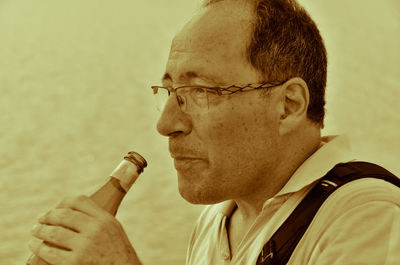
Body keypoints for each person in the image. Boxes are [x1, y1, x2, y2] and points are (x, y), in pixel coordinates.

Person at [28, 0, 400, 264]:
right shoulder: (216, 220)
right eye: (171, 92)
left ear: (288, 105)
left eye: (200, 91)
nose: (166, 124)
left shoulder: (370, 216)